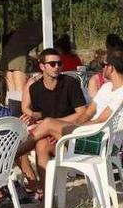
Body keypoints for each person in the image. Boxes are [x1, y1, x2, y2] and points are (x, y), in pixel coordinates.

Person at [19, 48, 88, 190]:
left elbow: (82, 113)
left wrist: (53, 125)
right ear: (42, 66)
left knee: (48, 123)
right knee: (41, 144)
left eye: (59, 63)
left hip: (72, 135)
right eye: (52, 64)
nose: (57, 67)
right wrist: (32, 118)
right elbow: (41, 114)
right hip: (51, 138)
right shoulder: (35, 89)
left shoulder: (70, 83)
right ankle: (46, 195)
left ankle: (13, 153)